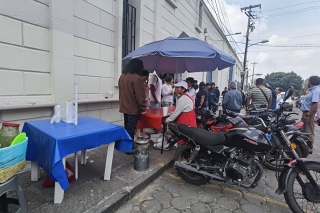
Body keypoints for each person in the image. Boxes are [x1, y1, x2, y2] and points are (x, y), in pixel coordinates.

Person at [119, 59, 146, 154]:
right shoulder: (136, 78)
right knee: (131, 129)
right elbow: (140, 95)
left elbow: (121, 92)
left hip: (124, 107)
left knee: (127, 127)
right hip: (132, 108)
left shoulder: (122, 76)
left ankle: (126, 146)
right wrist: (143, 108)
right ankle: (128, 149)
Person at [300, 75, 320, 146]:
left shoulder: (316, 91)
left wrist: (308, 114)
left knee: (309, 131)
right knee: (302, 131)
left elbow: (315, 104)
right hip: (307, 113)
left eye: (308, 81)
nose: (307, 83)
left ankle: (308, 147)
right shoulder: (313, 90)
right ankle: (303, 147)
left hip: (309, 114)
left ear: (310, 82)